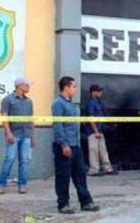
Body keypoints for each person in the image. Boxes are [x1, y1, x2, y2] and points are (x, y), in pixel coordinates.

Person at [52, 76, 99, 214]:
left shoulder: (71, 104)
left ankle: (86, 202)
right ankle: (63, 204)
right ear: (66, 87)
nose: (75, 89)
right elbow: (58, 126)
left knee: (80, 175)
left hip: (75, 146)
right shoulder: (58, 103)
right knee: (63, 176)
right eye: (73, 86)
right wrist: (63, 145)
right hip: (64, 146)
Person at [0, 78, 35, 195]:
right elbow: (5, 118)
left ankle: (22, 184)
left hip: (26, 134)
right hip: (14, 134)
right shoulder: (8, 100)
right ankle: (1, 184)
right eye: (27, 85)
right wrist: (8, 133)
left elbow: (31, 119)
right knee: (10, 159)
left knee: (24, 160)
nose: (29, 87)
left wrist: (33, 135)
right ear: (19, 86)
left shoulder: (29, 101)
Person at [85, 85, 117, 176]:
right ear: (93, 92)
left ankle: (107, 168)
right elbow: (91, 117)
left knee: (103, 150)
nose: (100, 93)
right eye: (98, 91)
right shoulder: (91, 103)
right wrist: (95, 131)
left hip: (100, 130)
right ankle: (94, 170)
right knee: (94, 150)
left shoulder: (98, 102)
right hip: (93, 131)